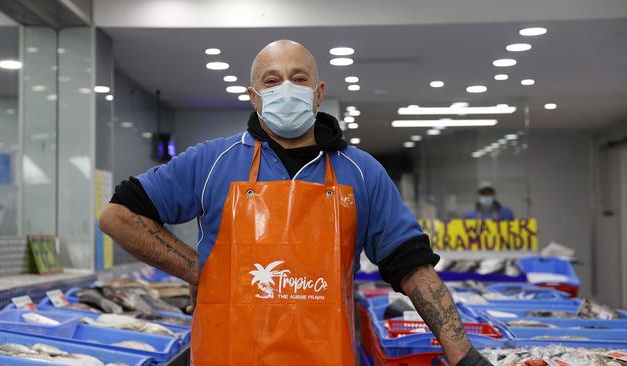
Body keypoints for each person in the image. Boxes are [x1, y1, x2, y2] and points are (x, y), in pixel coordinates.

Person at [100, 40, 491, 366]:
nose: (286, 88)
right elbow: (118, 214)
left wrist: (462, 354)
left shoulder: (362, 172)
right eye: (272, 81)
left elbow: (412, 266)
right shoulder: (212, 161)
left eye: (299, 78)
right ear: (255, 97)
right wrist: (199, 270)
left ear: (318, 93)